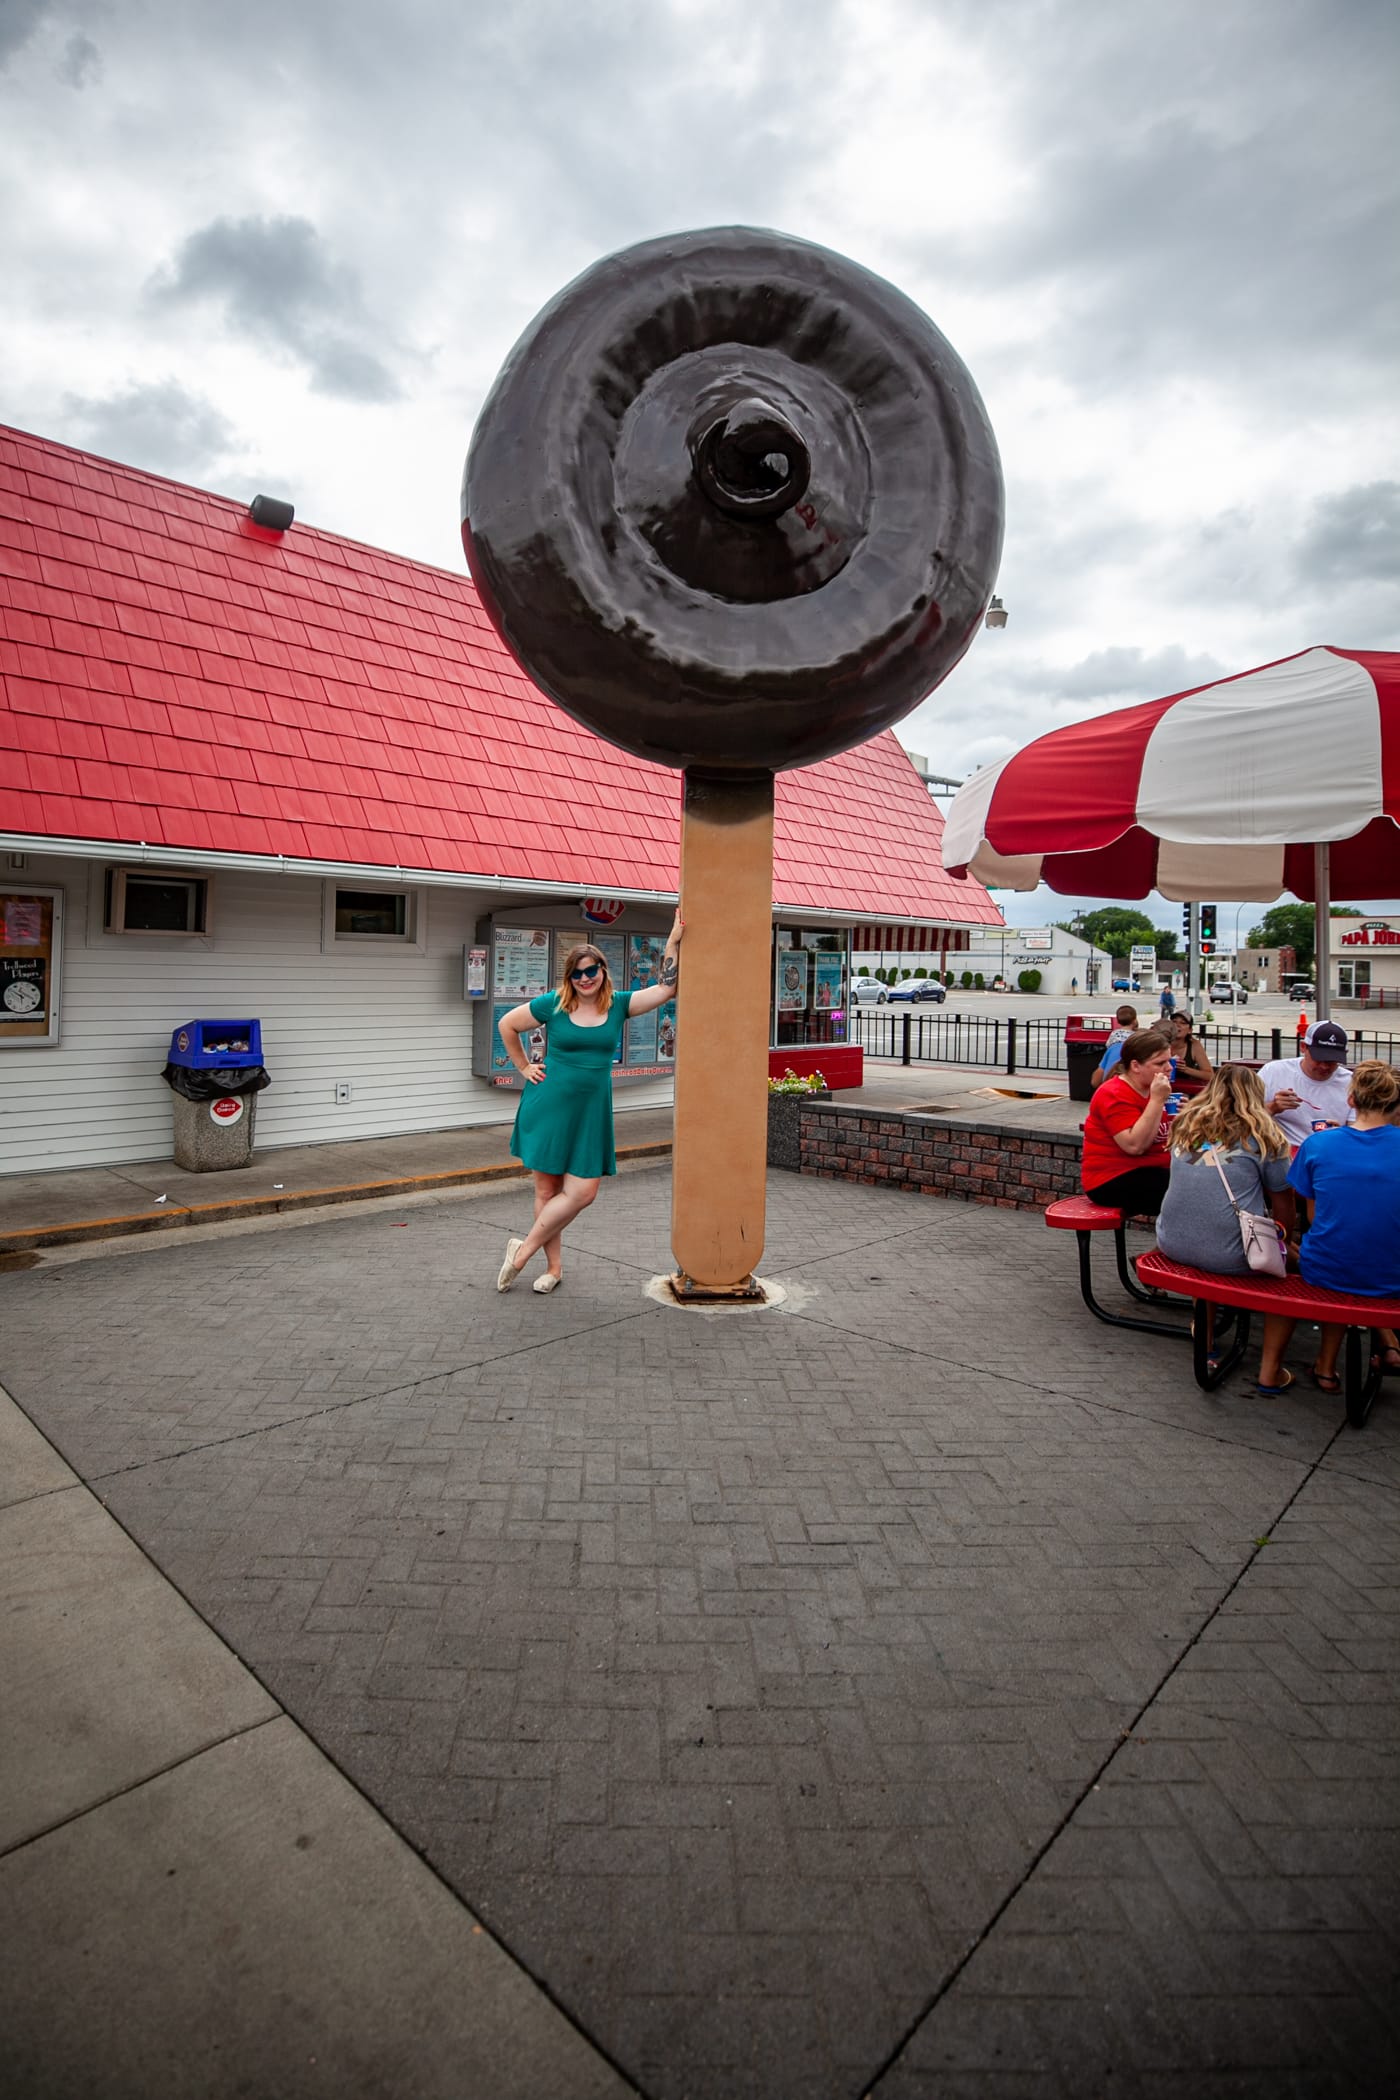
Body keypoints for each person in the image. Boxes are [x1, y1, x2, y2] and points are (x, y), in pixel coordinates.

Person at [495, 911, 684, 1292]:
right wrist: (523, 1066)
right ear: (570, 977)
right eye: (577, 973)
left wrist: (673, 941)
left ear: (602, 970)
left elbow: (667, 989)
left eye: (591, 970)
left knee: (583, 1192)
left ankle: (521, 1252)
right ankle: (553, 1269)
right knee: (546, 1192)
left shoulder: (619, 1004)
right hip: (548, 1105)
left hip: (590, 1112)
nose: (585, 978)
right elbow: (508, 1025)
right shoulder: (554, 1004)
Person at [1254, 1061, 1400, 1393]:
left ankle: (1325, 1367)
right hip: (1392, 1275)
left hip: (1327, 1268)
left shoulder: (1318, 1145)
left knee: (1332, 1257)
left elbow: (1317, 1218)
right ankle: (1363, 1352)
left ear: (1351, 1101)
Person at [1155, 1071, 1294, 1367]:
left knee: (1208, 1236)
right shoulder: (1264, 1135)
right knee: (1302, 1264)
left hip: (1172, 1241)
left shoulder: (1185, 1125)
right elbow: (1284, 1203)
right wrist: (1285, 1244)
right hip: (1227, 1255)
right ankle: (1272, 1368)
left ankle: (1204, 1336)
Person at [1081, 1028, 1174, 1216]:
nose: (1169, 1068)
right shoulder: (1114, 1094)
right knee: (1186, 1191)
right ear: (1136, 1066)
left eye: (1169, 1061)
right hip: (1112, 1178)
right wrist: (1157, 1101)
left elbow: (1164, 1137)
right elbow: (1134, 1146)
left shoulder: (1152, 1089)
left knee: (1205, 1178)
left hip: (1152, 1168)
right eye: (1160, 1063)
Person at [1257, 1020, 1354, 1149]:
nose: (1324, 1066)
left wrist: (1342, 1135)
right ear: (1303, 1047)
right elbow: (1243, 1118)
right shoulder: (1274, 1071)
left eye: (1332, 1061)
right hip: (1283, 1151)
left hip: (1330, 1153)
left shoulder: (1351, 1083)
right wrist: (1273, 1107)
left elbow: (1359, 1133)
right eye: (1318, 1059)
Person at [1166, 1010, 1213, 1098]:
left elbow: (1209, 1075)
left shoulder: (1194, 1045)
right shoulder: (1160, 1042)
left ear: (1190, 1030)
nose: (1177, 1025)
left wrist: (1185, 1069)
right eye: (1174, 1021)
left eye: (1183, 1023)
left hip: (1184, 1094)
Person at [1091, 1003, 1139, 1087]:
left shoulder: (1113, 1037)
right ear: (1134, 1020)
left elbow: (1095, 1082)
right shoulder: (1136, 1038)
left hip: (1108, 1083)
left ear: (1118, 1020)